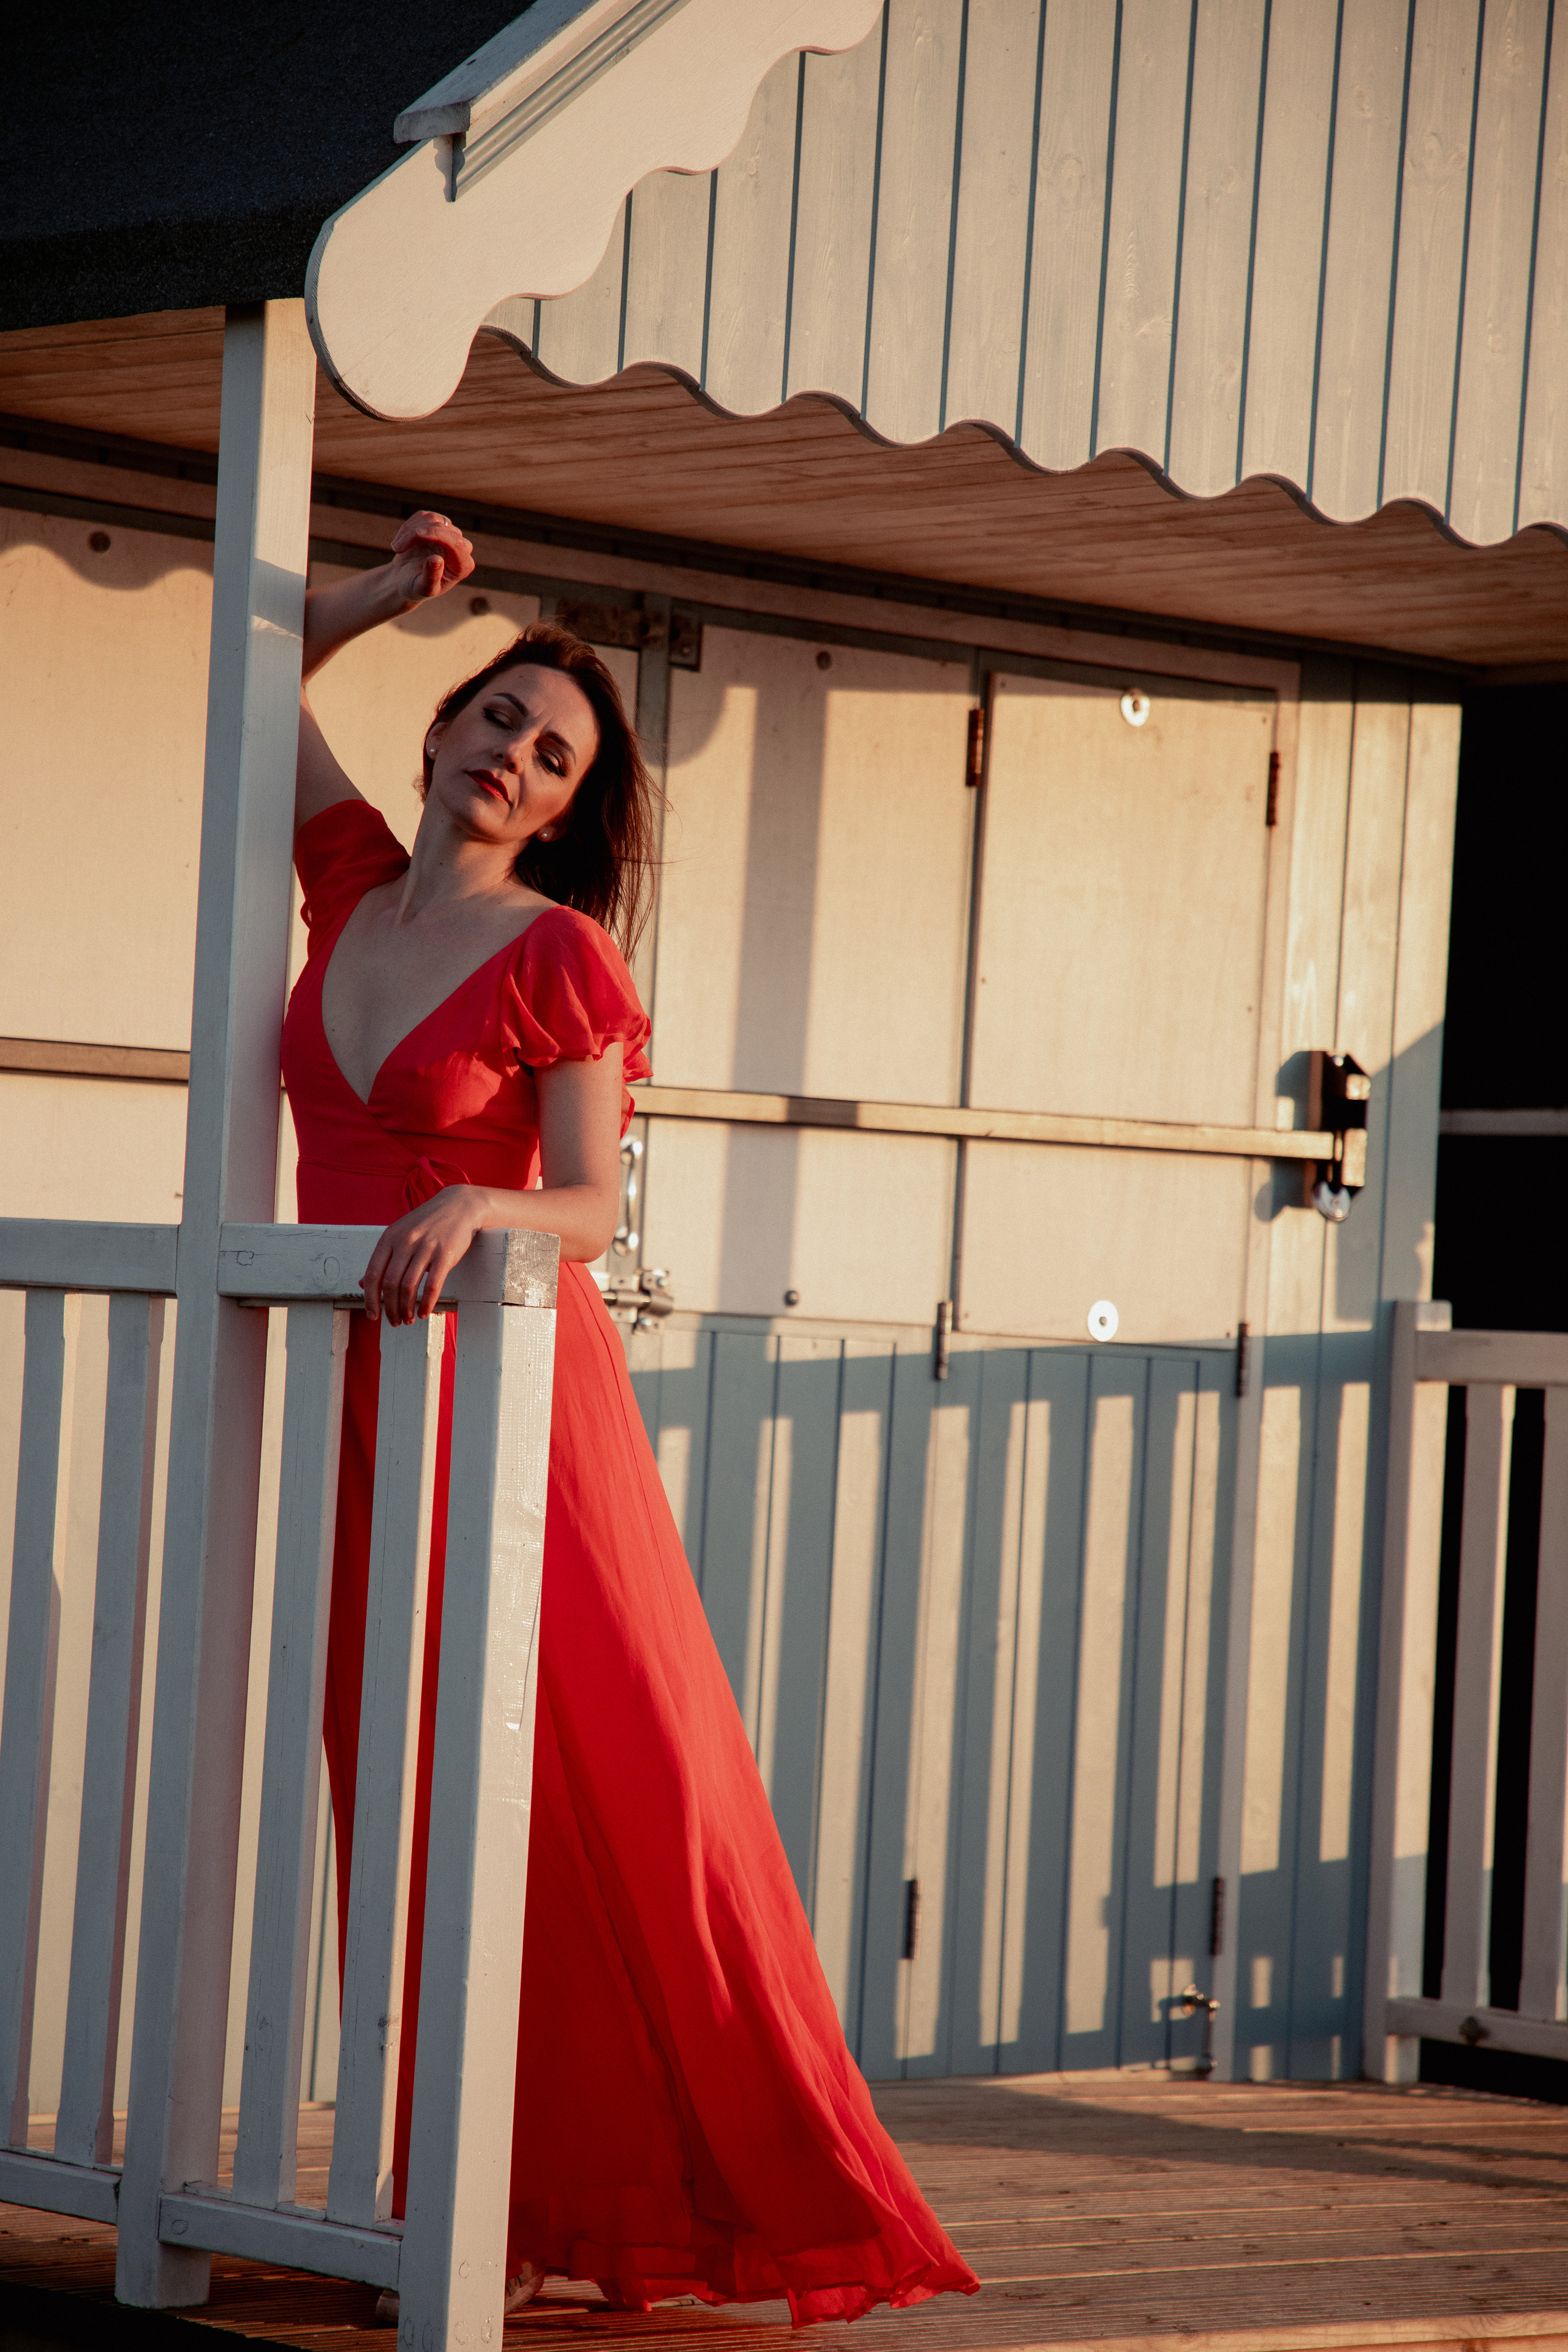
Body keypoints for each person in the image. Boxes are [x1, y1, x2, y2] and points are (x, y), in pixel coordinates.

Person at [286, 514, 978, 2326]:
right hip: (358, 1401)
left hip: (517, 1408)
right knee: (407, 1791)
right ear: (440, 732)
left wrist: (484, 1205)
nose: (513, 758)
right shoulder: (346, 878)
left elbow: (590, 1207)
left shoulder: (560, 955)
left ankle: (746, 2171)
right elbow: (254, 657)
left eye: (554, 754)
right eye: (497, 720)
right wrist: (380, 595)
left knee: (613, 1789)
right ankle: (457, 2197)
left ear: (568, 803)